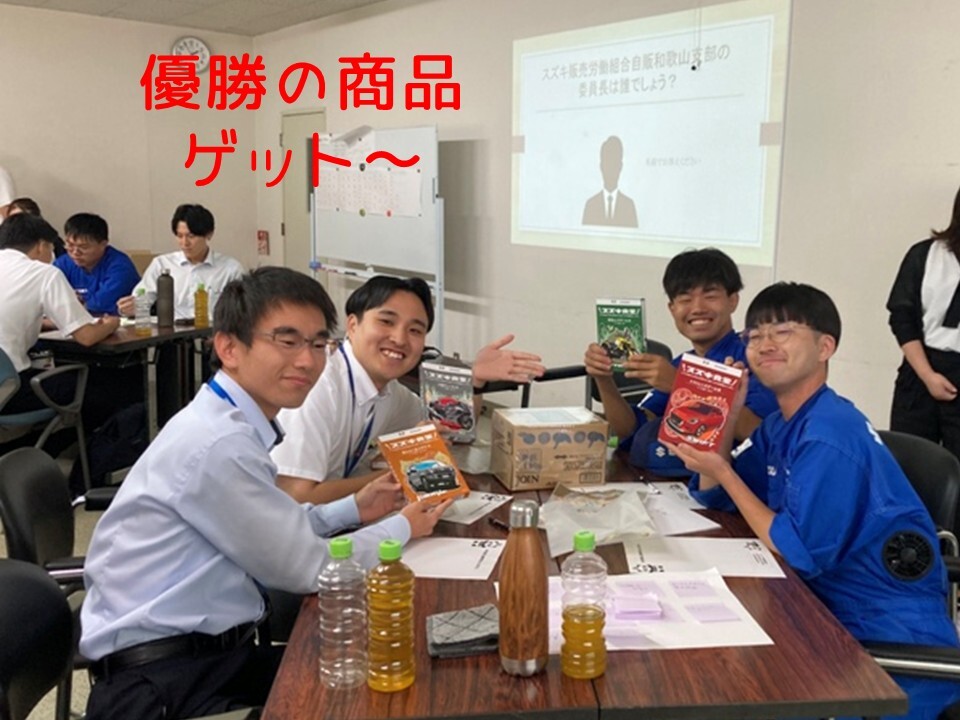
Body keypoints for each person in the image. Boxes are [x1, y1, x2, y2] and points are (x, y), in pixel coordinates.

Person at [80, 267, 451, 720]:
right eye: (287, 341)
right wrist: (403, 527)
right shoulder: (218, 445)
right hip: (163, 685)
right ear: (228, 347)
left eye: (318, 343)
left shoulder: (229, 423)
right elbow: (308, 567)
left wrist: (355, 508)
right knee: (382, 690)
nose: (308, 361)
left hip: (210, 656)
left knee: (384, 669)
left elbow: (273, 524)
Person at [674, 282, 960, 720]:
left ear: (825, 347)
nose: (765, 344)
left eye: (783, 332)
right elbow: (716, 497)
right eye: (754, 335)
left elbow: (797, 551)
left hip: (886, 641)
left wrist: (726, 474)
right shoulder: (784, 423)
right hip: (821, 611)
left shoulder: (829, 433)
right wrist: (726, 416)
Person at [272, 274, 546, 505]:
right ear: (352, 325)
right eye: (386, 322)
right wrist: (400, 474)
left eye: (415, 330)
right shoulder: (319, 388)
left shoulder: (389, 391)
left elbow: (450, 430)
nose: (400, 338)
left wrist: (473, 380)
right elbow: (297, 496)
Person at [584, 247, 777, 475]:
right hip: (670, 483)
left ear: (733, 301)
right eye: (685, 298)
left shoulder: (754, 358)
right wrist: (603, 379)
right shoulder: (683, 363)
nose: (697, 308)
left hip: (735, 486)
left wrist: (682, 385)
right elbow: (628, 430)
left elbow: (763, 434)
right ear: (672, 309)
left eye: (710, 296)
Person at [0, 213, 119, 417]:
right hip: (9, 389)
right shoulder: (43, 273)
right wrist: (111, 324)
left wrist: (52, 323)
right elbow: (87, 337)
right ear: (41, 246)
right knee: (101, 387)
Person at [887, 186, 960, 459]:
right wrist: (927, 375)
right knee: (909, 463)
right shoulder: (925, 254)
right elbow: (901, 316)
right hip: (920, 371)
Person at [118, 204, 244, 321]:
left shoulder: (230, 269)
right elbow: (143, 298)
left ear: (209, 234)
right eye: (179, 236)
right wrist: (131, 307)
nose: (185, 243)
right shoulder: (162, 264)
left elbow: (242, 313)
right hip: (172, 333)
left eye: (191, 236)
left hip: (213, 332)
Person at [53, 213, 139, 315]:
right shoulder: (63, 263)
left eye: (84, 247)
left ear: (103, 244)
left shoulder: (120, 267)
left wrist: (71, 303)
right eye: (70, 245)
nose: (75, 252)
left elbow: (100, 305)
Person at [582, 135, 638, 228]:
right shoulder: (591, 206)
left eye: (614, 164)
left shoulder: (628, 207)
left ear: (620, 167)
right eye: (607, 163)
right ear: (601, 166)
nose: (611, 170)